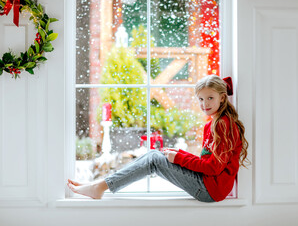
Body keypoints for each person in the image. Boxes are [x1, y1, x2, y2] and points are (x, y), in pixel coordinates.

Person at [67, 75, 249, 202]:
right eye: (201, 99)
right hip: (208, 184)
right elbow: (206, 161)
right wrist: (180, 153)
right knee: (155, 154)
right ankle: (99, 185)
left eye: (210, 98)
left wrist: (179, 158)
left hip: (211, 190)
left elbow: (213, 168)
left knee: (154, 159)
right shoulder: (214, 124)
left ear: (223, 98)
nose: (205, 104)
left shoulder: (224, 125)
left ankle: (99, 188)